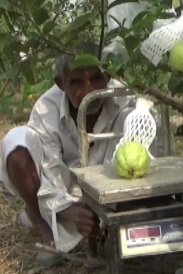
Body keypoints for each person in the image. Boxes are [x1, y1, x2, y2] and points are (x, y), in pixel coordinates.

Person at [0, 44, 168, 267]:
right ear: (61, 83)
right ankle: (49, 231)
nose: (90, 90)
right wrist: (69, 212)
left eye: (96, 79)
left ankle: (118, 228)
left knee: (138, 116)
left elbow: (149, 154)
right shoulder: (46, 109)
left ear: (107, 76)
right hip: (63, 195)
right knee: (15, 142)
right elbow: (48, 171)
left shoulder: (123, 99)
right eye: (77, 82)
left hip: (113, 189)